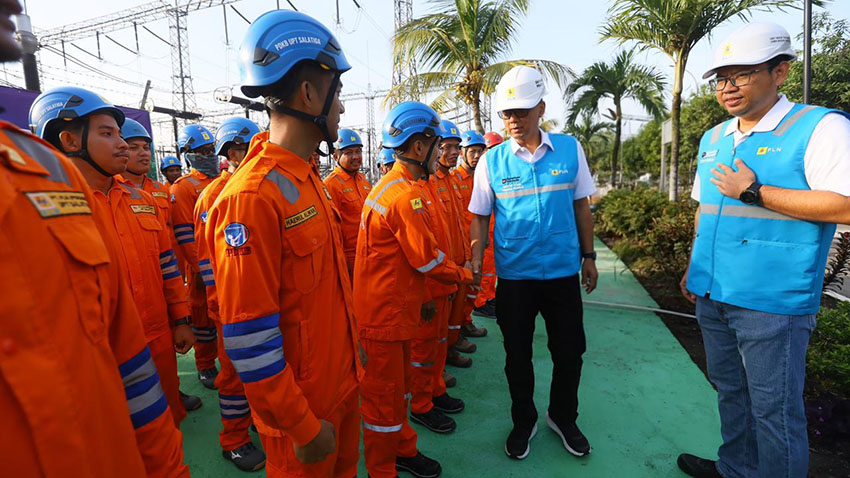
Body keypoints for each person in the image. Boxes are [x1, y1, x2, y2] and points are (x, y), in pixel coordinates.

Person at [677, 22, 850, 478]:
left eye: (741, 74)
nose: (728, 87)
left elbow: (846, 204)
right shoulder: (713, 138)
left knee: (774, 412)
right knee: (730, 392)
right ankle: (736, 468)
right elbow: (705, 209)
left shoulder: (819, 127)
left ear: (781, 72)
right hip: (713, 294)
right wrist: (695, 266)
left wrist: (755, 192)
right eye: (720, 78)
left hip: (772, 303)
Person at [206, 10, 362, 478]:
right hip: (305, 416)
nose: (341, 109)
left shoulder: (307, 179)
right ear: (309, 93)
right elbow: (248, 336)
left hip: (341, 389)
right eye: (337, 93)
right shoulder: (251, 198)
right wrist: (301, 427)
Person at [27, 84, 190, 477]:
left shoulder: (141, 200)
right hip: (97, 361)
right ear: (69, 140)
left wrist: (181, 318)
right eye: (107, 134)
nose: (123, 145)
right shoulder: (45, 212)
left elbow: (167, 263)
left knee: (165, 436)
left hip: (156, 341)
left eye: (120, 134)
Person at [469, 66, 598, 461]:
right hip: (515, 279)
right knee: (517, 356)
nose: (514, 120)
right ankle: (523, 421)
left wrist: (589, 257)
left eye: (522, 111)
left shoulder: (569, 150)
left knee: (570, 352)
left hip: (562, 274)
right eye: (507, 113)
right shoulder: (491, 162)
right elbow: (479, 216)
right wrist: (475, 262)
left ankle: (563, 417)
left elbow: (582, 205)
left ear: (541, 108)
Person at [355, 101, 475, 478]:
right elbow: (428, 260)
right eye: (437, 145)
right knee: (384, 403)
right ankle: (382, 469)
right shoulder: (403, 196)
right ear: (419, 146)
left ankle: (403, 449)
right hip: (384, 318)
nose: (441, 153)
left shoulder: (400, 187)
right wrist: (466, 275)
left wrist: (426, 295)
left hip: (395, 309)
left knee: (399, 393)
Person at [193, 116, 266, 471]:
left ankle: (257, 422)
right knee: (234, 376)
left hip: (265, 304)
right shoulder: (214, 195)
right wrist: (221, 305)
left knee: (263, 372)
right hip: (232, 308)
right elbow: (207, 260)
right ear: (234, 152)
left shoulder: (262, 188)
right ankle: (234, 441)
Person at [120, 117, 203, 413]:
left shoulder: (157, 191)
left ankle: (173, 392)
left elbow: (171, 240)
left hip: (163, 276)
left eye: (146, 147)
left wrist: (180, 316)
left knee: (166, 350)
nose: (143, 153)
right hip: (131, 291)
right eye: (133, 147)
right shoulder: (102, 196)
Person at [171, 123, 220, 389]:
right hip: (201, 267)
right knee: (203, 320)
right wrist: (201, 270)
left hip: (226, 263)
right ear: (188, 154)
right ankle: (205, 365)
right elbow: (185, 235)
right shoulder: (184, 188)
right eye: (202, 151)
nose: (209, 155)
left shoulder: (223, 181)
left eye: (211, 149)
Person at [323, 128, 371, 277]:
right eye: (349, 153)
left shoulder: (363, 180)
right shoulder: (331, 185)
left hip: (369, 253)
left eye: (358, 151)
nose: (355, 157)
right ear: (336, 156)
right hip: (349, 259)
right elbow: (331, 229)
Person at [472, 131, 504, 319]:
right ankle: (481, 302)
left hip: (494, 231)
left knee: (491, 269)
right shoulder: (478, 176)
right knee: (484, 269)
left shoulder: (500, 173)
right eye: (490, 149)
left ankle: (490, 297)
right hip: (483, 232)